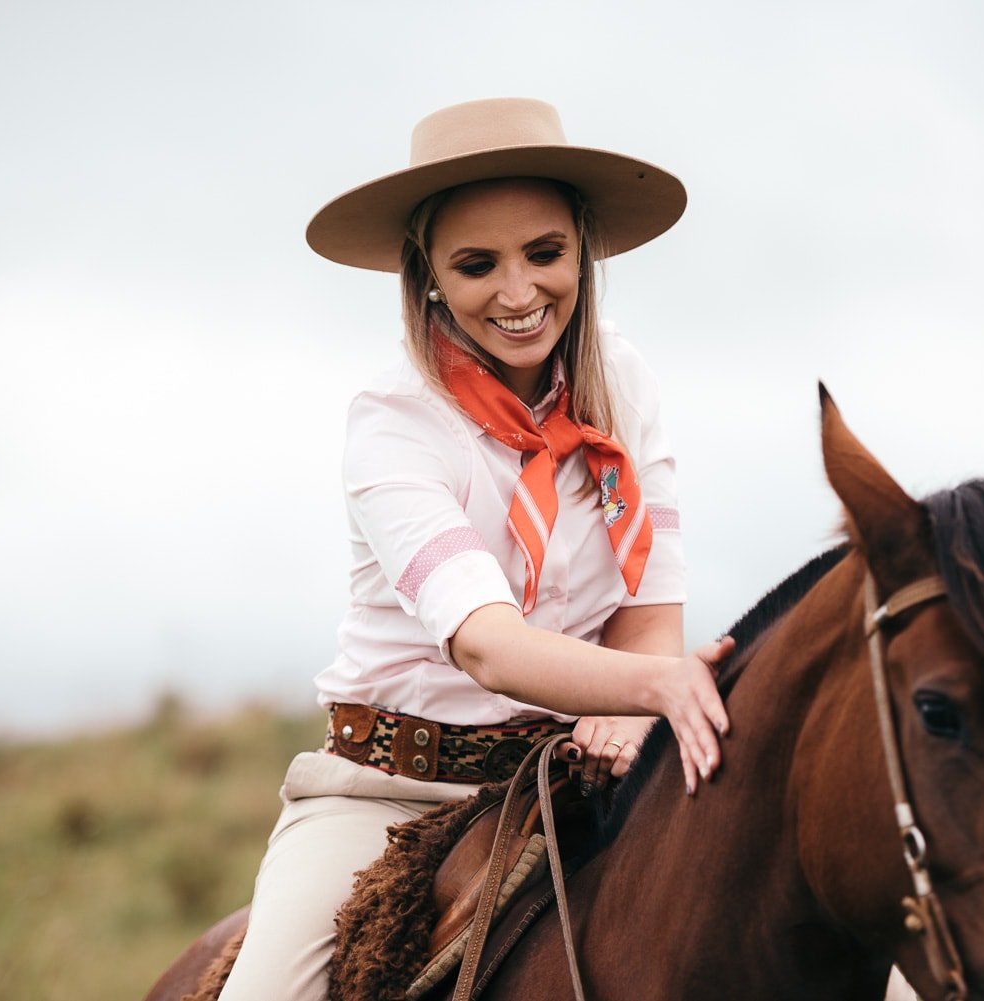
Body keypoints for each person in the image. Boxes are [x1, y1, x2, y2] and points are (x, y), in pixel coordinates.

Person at [217, 97, 732, 1001]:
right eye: (476, 264)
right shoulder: (395, 424)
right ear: (426, 276)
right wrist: (656, 686)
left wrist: (635, 705)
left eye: (544, 253)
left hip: (577, 772)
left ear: (581, 247)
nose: (520, 293)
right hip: (390, 789)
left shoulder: (626, 384)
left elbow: (650, 619)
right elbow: (486, 643)